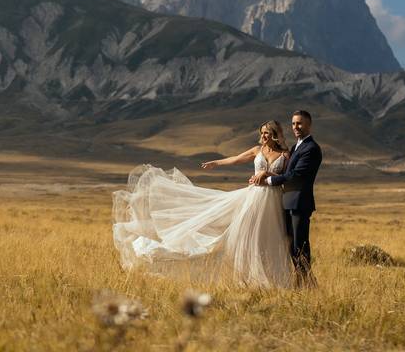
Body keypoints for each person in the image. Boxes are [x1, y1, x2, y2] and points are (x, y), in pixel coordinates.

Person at [111, 121, 292, 288]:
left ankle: (274, 278)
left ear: (275, 134)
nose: (264, 136)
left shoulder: (285, 154)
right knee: (247, 235)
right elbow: (236, 158)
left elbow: (290, 177)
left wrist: (268, 175)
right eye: (262, 133)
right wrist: (217, 163)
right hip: (254, 196)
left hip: (274, 198)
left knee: (270, 236)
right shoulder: (257, 150)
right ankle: (248, 277)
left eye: (267, 133)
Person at [250, 110, 322, 286]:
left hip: (299, 203)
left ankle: (306, 283)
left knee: (300, 246)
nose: (296, 127)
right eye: (293, 124)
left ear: (309, 124)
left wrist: (269, 179)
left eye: (300, 123)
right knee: (291, 246)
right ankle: (301, 282)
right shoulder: (296, 147)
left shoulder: (311, 148)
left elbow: (296, 175)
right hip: (287, 202)